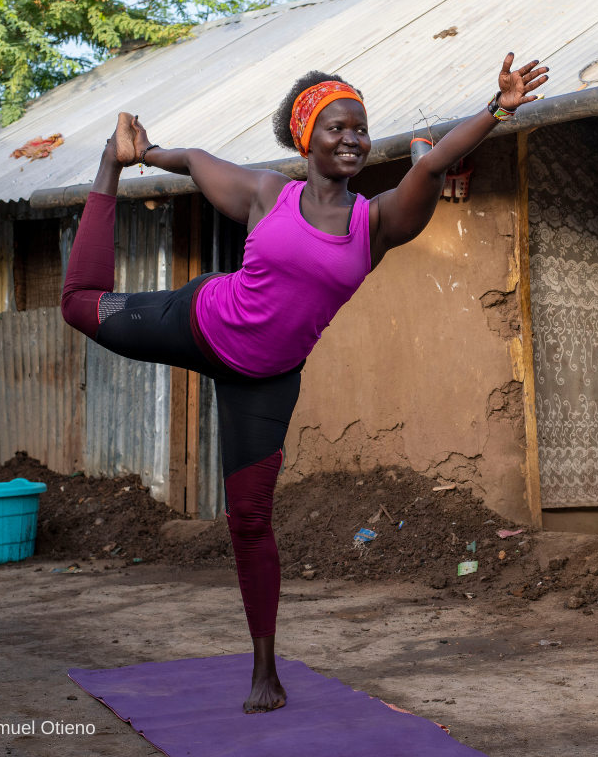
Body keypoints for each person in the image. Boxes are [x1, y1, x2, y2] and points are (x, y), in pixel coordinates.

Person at [61, 53, 549, 713]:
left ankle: (265, 669)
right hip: (199, 323)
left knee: (250, 521)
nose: (351, 139)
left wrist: (497, 110)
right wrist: (144, 153)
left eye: (360, 128)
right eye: (337, 127)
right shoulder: (266, 194)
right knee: (79, 304)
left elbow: (430, 168)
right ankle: (107, 163)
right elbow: (200, 162)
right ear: (305, 138)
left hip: (264, 381)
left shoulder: (372, 224)